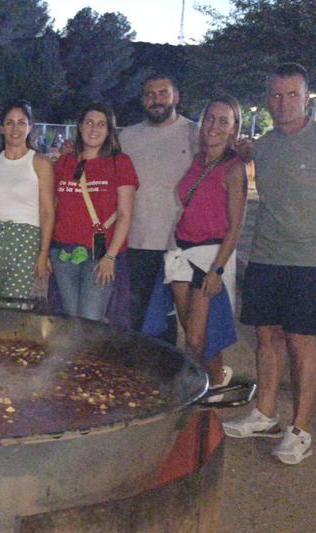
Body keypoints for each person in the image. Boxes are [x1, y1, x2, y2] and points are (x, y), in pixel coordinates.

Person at [223, 63, 316, 465]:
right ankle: (264, 413)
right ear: (268, 99)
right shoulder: (265, 145)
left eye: (292, 95)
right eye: (276, 95)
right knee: (266, 335)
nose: (283, 103)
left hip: (312, 260)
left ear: (307, 99)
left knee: (301, 341)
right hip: (267, 253)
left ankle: (300, 430)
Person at [165, 95, 247, 393]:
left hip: (209, 256)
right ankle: (210, 381)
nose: (214, 126)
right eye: (210, 118)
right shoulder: (198, 161)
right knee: (190, 331)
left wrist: (218, 269)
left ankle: (205, 390)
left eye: (223, 121)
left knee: (198, 338)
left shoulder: (234, 168)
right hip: (181, 252)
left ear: (233, 128)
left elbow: (235, 226)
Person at [119, 74, 199, 344]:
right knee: (137, 315)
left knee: (177, 319)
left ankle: (172, 366)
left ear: (176, 96)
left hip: (180, 243)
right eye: (150, 95)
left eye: (163, 93)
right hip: (137, 242)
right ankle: (138, 367)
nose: (156, 100)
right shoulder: (127, 137)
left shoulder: (195, 134)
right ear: (143, 100)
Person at [44, 102, 137, 321]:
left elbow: (125, 213)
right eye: (89, 123)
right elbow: (53, 207)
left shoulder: (119, 162)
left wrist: (110, 256)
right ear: (80, 126)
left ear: (109, 130)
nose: (94, 129)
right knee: (70, 316)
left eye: (101, 124)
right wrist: (45, 250)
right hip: (63, 251)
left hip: (100, 250)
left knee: (91, 318)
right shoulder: (65, 162)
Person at [0, 99, 55, 306]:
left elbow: (47, 211)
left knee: (16, 305)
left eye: (22, 122)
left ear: (30, 127)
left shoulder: (40, 163)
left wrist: (43, 252)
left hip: (25, 240)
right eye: (9, 122)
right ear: (1, 128)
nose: (15, 128)